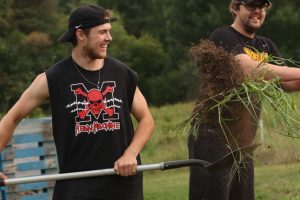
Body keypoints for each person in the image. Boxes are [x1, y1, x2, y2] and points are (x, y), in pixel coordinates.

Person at [0, 4, 154, 200]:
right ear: (81, 35)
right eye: (102, 32)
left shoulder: (122, 74)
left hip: (122, 183)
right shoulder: (52, 79)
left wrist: (131, 154)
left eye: (109, 32)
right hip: (76, 187)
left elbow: (147, 120)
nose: (109, 38)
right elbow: (11, 118)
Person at [188, 0, 300, 199]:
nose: (257, 11)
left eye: (262, 6)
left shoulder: (265, 45)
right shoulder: (223, 36)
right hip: (213, 134)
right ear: (235, 8)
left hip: (242, 139)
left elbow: (290, 83)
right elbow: (247, 68)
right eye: (251, 5)